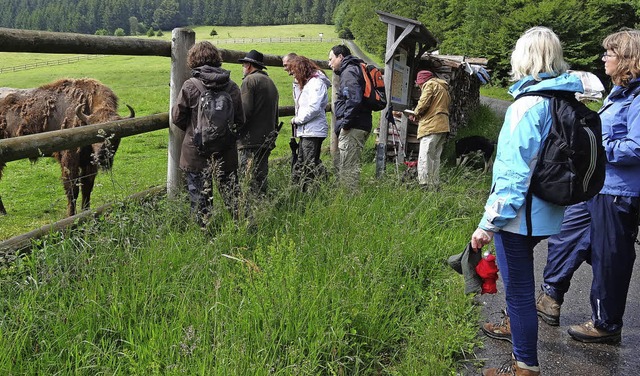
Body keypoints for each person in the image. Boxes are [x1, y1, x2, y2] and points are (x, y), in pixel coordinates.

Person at [471, 27, 584, 376]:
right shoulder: (563, 99)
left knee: (519, 291)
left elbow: (513, 175)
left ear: (524, 58)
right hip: (551, 209)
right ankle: (513, 330)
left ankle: (526, 367)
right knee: (519, 283)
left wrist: (488, 223)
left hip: (520, 215)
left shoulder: (526, 106)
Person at [535, 29, 640, 344]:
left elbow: (636, 146)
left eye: (609, 53)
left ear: (626, 59)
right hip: (598, 187)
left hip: (620, 192)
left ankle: (607, 324)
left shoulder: (638, 98)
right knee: (565, 236)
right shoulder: (619, 93)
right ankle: (549, 298)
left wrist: (600, 144)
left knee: (611, 257)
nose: (604, 58)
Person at [171, 41, 245, 226]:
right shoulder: (232, 86)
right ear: (217, 58)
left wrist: (193, 132)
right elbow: (240, 120)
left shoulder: (190, 85)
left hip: (196, 153)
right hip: (225, 153)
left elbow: (177, 117)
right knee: (232, 196)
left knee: (200, 199)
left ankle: (205, 234)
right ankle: (241, 227)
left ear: (193, 60)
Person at [328, 44, 372, 188]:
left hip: (354, 126)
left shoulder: (349, 72)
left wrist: (346, 124)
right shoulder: (356, 68)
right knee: (351, 166)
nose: (329, 64)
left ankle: (349, 203)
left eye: (331, 59)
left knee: (348, 171)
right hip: (360, 123)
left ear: (340, 57)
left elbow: (354, 99)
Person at [237, 49, 280, 197]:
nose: (243, 68)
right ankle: (262, 208)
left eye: (243, 65)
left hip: (250, 140)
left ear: (248, 65)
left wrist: (235, 130)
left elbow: (245, 112)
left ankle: (250, 214)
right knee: (261, 179)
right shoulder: (271, 82)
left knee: (247, 179)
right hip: (266, 138)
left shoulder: (249, 81)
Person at [288, 55, 331, 190]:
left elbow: (313, 108)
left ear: (301, 69)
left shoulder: (315, 84)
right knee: (305, 161)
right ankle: (314, 187)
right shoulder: (310, 83)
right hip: (309, 130)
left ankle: (315, 189)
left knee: (308, 164)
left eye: (294, 71)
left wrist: (297, 120)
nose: (292, 74)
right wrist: (296, 83)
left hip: (312, 130)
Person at [410, 70, 450, 188]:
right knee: (435, 157)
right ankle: (434, 183)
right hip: (443, 125)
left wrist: (415, 113)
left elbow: (424, 102)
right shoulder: (443, 88)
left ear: (422, 81)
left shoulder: (430, 85)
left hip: (431, 126)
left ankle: (424, 184)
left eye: (419, 84)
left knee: (425, 156)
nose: (419, 87)